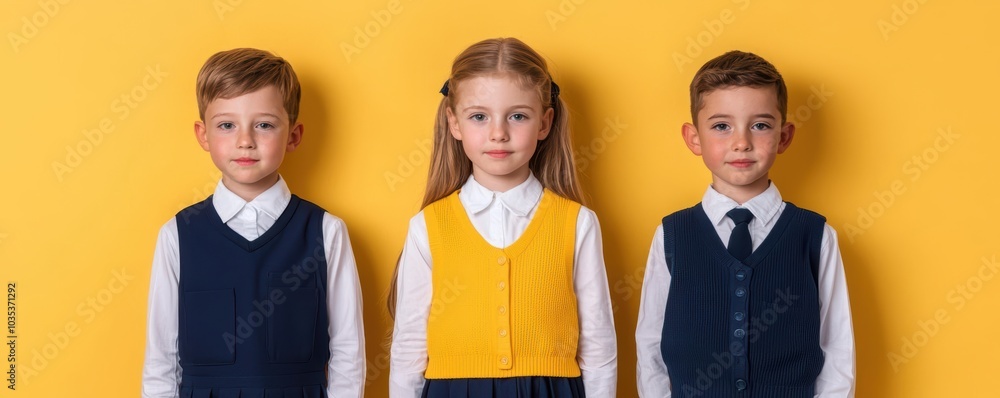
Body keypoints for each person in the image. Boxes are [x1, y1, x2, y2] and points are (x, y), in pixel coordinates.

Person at [388, 37, 618, 398]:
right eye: (479, 117)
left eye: (517, 116)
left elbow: (598, 344)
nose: (498, 133)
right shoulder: (428, 226)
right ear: (454, 123)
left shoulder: (577, 223)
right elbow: (409, 344)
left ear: (544, 123)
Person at [141, 48, 366, 397]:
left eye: (264, 125)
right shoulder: (177, 235)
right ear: (203, 135)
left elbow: (348, 351)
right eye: (226, 125)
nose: (245, 141)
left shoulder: (326, 231)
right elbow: (161, 360)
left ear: (293, 135)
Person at [635, 50, 855, 397]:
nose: (741, 143)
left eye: (760, 125)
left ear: (784, 136)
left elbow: (837, 346)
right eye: (721, 126)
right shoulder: (671, 235)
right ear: (694, 138)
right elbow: (650, 343)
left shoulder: (815, 236)